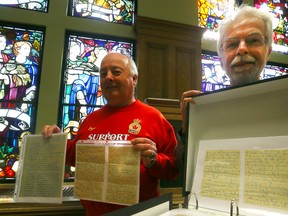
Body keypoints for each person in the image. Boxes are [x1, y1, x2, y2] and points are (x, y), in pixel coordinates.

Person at [42, 52, 179, 216]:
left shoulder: (154, 118)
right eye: (103, 74)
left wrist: (153, 161)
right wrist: (57, 141)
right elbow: (75, 156)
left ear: (134, 79)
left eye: (116, 72)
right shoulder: (90, 120)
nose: (108, 78)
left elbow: (174, 170)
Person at [175, 5, 273, 169]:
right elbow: (182, 170)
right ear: (220, 59)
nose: (242, 49)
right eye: (232, 45)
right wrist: (189, 130)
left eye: (253, 40)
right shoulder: (203, 109)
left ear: (268, 51)